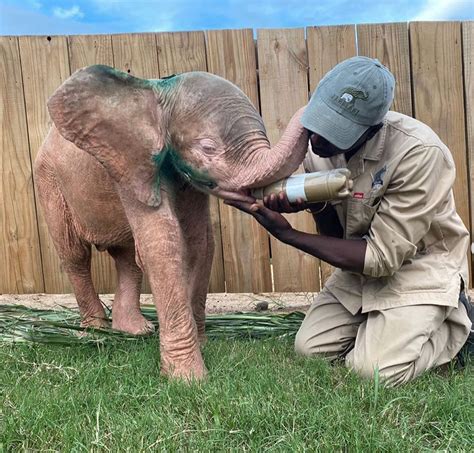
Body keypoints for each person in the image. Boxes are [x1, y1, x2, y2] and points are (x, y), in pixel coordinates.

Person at [225, 56, 473, 386]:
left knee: (371, 373)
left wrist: (288, 235)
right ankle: (389, 327)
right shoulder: (318, 150)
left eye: (336, 132)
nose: (318, 140)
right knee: (309, 348)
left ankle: (455, 324)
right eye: (319, 122)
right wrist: (310, 206)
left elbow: (382, 258)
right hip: (360, 271)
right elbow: (335, 234)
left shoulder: (419, 153)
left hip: (419, 269)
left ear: (372, 128)